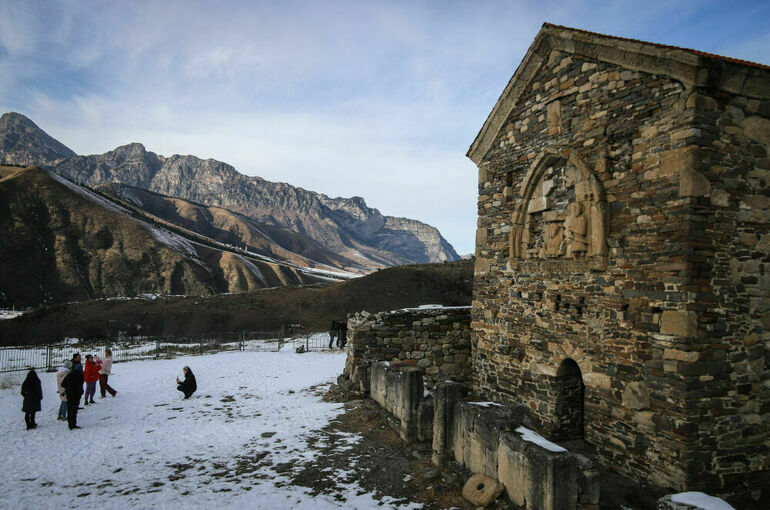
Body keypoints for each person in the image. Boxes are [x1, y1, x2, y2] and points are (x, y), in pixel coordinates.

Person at [63, 355, 84, 429]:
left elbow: (63, 384)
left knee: (70, 409)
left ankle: (70, 424)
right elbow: (79, 386)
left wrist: (68, 388)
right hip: (75, 395)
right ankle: (73, 424)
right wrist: (80, 392)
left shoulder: (69, 375)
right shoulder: (78, 376)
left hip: (69, 394)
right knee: (74, 410)